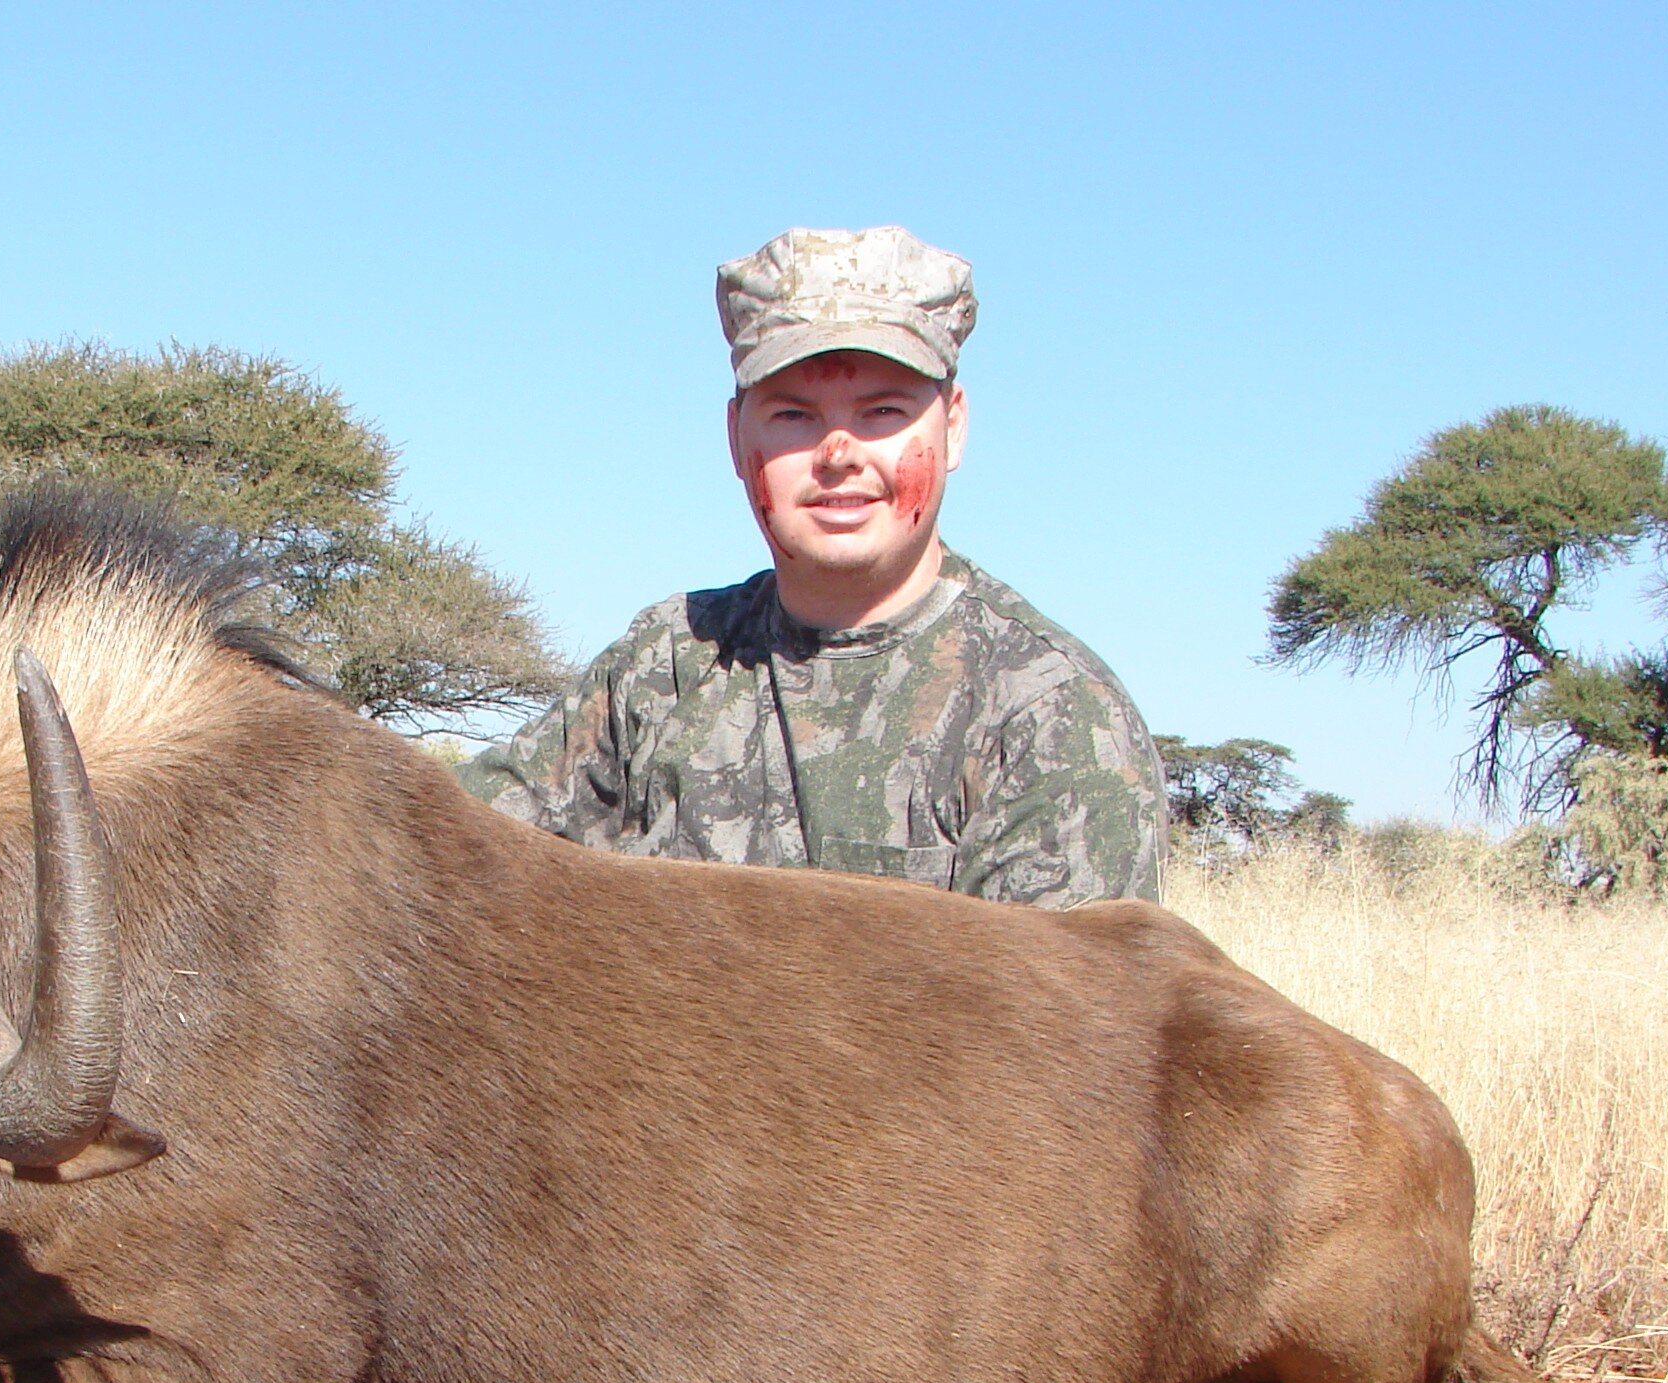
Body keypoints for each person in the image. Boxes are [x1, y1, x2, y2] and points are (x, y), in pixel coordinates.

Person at [461, 226, 1165, 906]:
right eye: (794, 415)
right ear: (738, 439)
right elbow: (455, 855)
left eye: (882, 412)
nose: (837, 453)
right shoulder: (660, 667)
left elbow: (1046, 1021)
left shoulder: (1052, 711)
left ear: (952, 427)